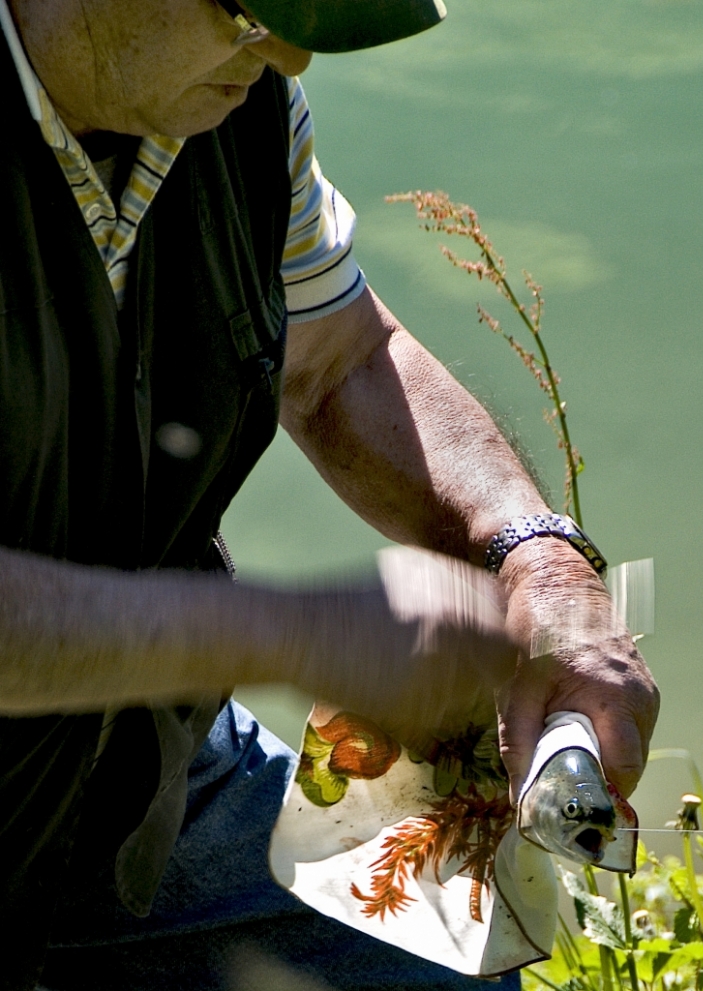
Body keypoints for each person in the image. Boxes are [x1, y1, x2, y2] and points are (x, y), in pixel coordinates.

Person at [0, 0, 659, 988]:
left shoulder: (237, 103)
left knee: (438, 971)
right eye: (252, 6)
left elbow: (342, 358)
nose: (291, 51)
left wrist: (530, 551)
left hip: (138, 775)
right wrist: (285, 632)